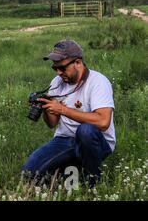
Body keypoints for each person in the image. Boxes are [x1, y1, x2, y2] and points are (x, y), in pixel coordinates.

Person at [22, 40, 116, 186]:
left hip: (96, 141)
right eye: (55, 68)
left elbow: (103, 122)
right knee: (28, 173)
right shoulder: (57, 82)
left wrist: (63, 109)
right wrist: (46, 106)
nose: (59, 73)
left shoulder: (98, 82)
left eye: (62, 68)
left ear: (78, 63)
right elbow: (52, 123)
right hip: (64, 140)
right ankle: (69, 168)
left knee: (85, 130)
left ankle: (93, 180)